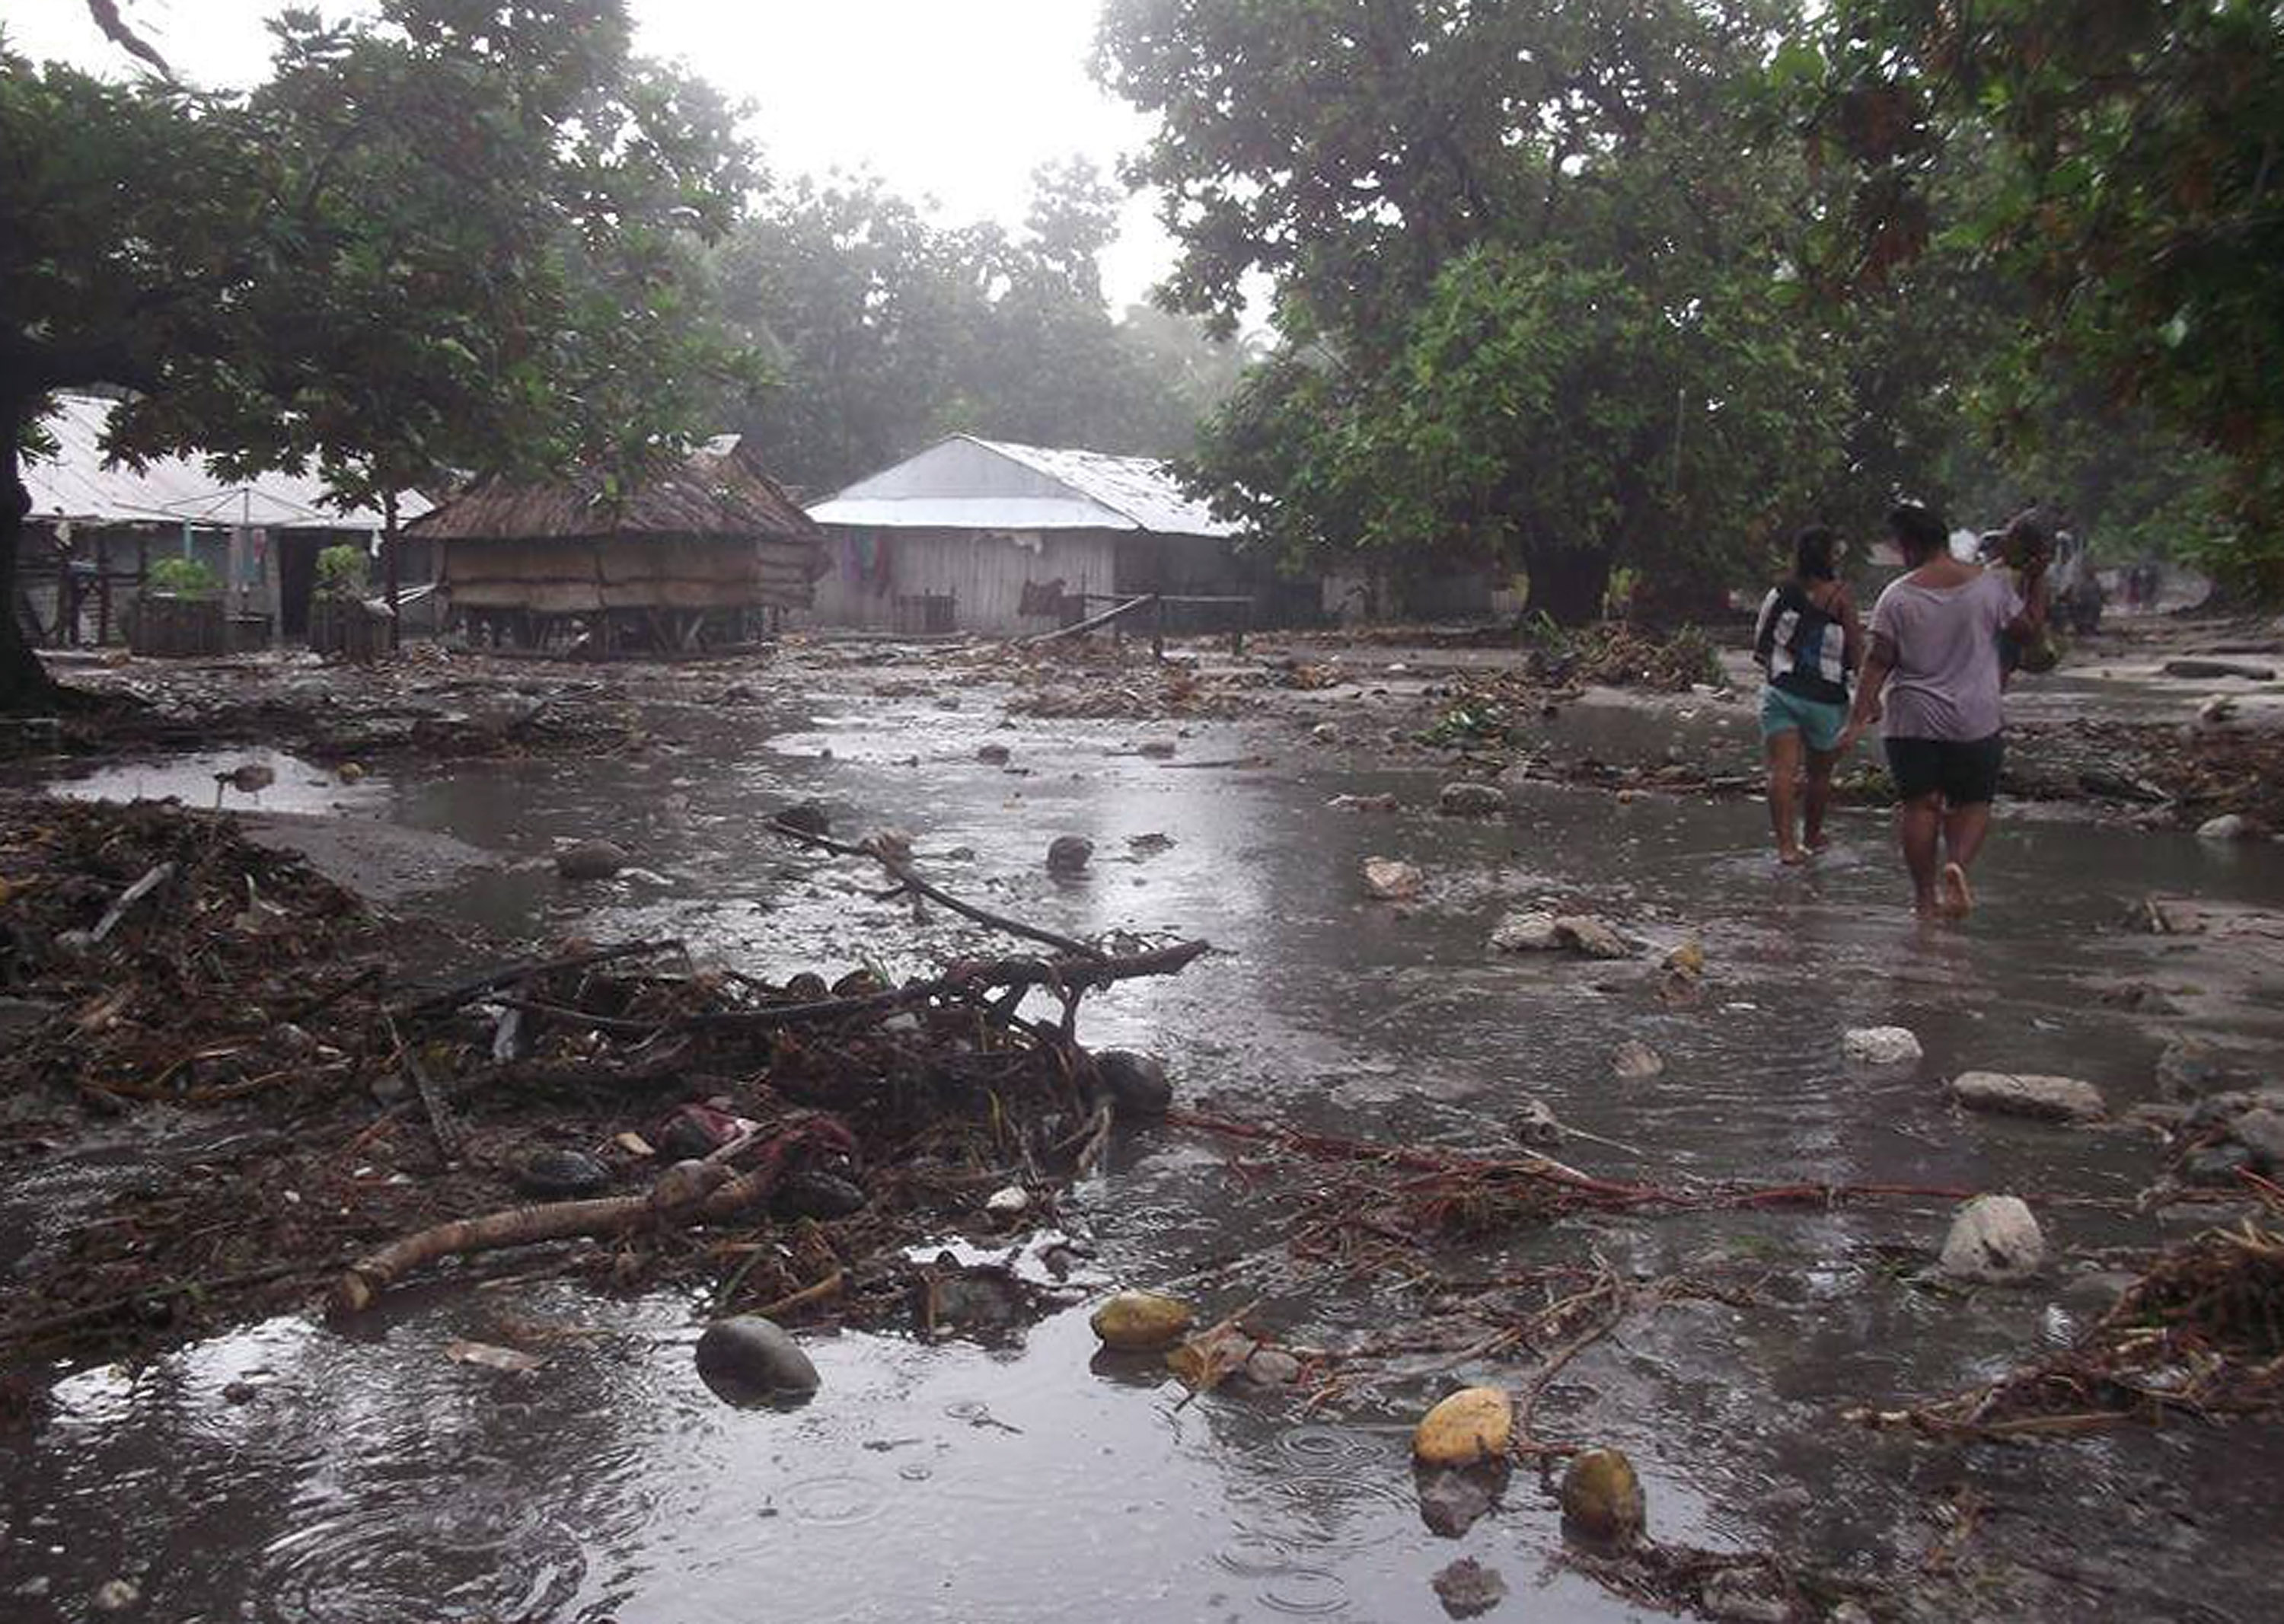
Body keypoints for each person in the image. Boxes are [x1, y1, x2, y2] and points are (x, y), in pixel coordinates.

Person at [1842, 502, 2048, 919]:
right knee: (1973, 803)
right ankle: (1956, 866)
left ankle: (1924, 902)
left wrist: (1860, 713)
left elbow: (1879, 660)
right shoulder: (1990, 587)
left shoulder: (1896, 596)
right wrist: (2038, 582)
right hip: (1975, 718)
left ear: (1909, 546)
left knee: (1920, 806)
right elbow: (2028, 633)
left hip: (1912, 719)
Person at [1752, 525, 1861, 864]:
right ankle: (1812, 837)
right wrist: (1871, 699)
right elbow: (1857, 652)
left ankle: (1786, 847)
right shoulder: (1841, 595)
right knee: (1819, 775)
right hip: (1826, 699)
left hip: (1781, 691)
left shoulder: (1780, 592)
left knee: (1780, 772)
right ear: (1829, 556)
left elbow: (1760, 643)